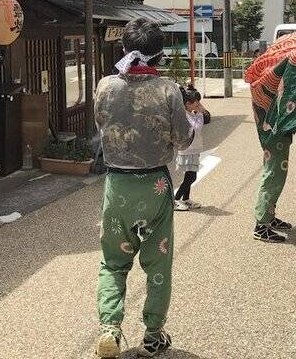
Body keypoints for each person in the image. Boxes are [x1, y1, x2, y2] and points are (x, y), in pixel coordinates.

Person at [94, 18, 194, 359]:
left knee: (113, 262)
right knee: (158, 263)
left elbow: (101, 123)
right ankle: (153, 334)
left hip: (117, 183)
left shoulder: (105, 86)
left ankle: (110, 327)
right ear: (160, 54)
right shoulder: (168, 90)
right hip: (154, 184)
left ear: (124, 49)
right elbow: (183, 138)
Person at [174, 85, 210, 211]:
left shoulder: (191, 113)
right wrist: (200, 113)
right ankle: (176, 199)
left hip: (193, 149)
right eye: (196, 102)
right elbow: (196, 128)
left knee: (188, 176)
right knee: (191, 177)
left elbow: (208, 118)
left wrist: (200, 112)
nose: (198, 104)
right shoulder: (186, 116)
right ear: (187, 104)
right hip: (188, 150)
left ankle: (186, 199)